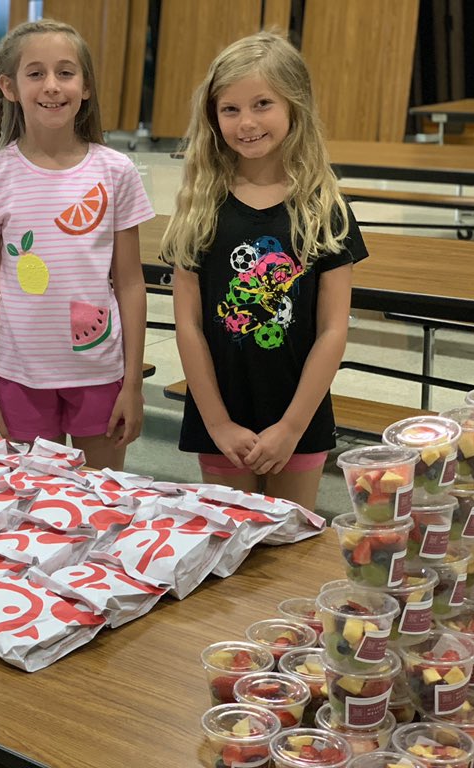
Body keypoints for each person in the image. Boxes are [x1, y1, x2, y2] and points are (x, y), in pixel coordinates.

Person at [161, 31, 368, 511]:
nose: (246, 122)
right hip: (220, 418)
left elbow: (333, 330)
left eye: (262, 104)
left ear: (295, 107)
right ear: (212, 117)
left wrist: (292, 426)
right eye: (230, 109)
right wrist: (217, 423)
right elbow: (188, 326)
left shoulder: (324, 208)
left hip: (299, 415)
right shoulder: (198, 206)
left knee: (286, 550)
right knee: (228, 553)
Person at [0, 19, 155, 471]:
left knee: (101, 502)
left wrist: (132, 385)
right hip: (17, 374)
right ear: (9, 86)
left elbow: (129, 283)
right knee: (34, 507)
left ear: (85, 87)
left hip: (100, 371)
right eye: (35, 73)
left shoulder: (116, 171)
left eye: (66, 72)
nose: (52, 86)